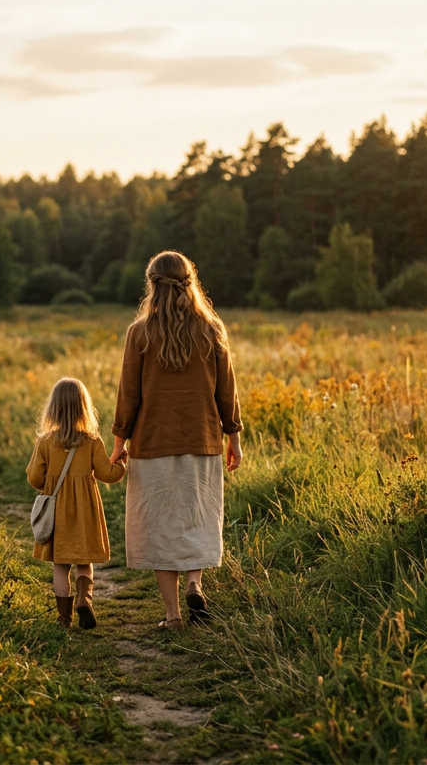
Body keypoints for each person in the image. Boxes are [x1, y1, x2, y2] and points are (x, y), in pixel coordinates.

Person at [110, 250, 243, 632]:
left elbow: (128, 394)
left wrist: (120, 441)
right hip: (202, 441)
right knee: (196, 519)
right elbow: (227, 390)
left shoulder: (140, 332)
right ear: (190, 281)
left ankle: (172, 616)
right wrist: (233, 436)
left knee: (159, 527)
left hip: (152, 444)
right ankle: (195, 585)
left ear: (152, 285)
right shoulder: (212, 328)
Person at [27, 377, 127, 629]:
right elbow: (108, 475)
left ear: (53, 408)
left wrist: (48, 483)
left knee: (60, 567)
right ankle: (84, 600)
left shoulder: (46, 441)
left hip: (57, 513)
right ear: (84, 407)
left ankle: (64, 619)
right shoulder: (92, 441)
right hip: (86, 513)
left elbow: (34, 477)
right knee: (85, 562)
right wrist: (122, 463)